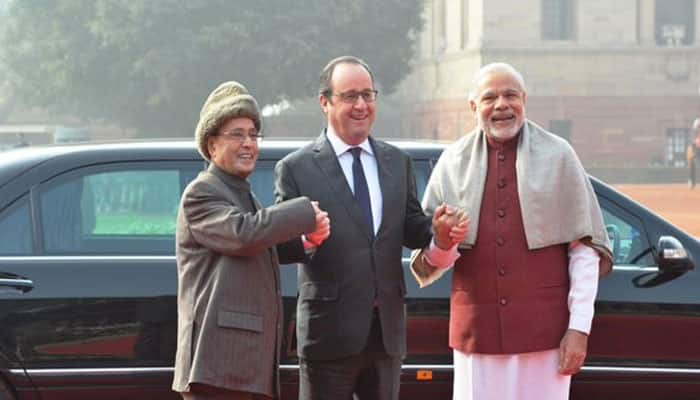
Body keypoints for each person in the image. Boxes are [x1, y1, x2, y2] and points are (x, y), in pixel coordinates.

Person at [410, 62, 613, 400]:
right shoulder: (452, 162)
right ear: (474, 108)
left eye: (510, 95)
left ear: (524, 100)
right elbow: (433, 259)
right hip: (477, 335)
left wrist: (579, 329)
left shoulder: (559, 155)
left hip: (545, 336)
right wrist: (444, 242)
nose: (501, 104)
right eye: (490, 97)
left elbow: (584, 250)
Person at [273, 56, 466, 400]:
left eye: (368, 94)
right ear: (325, 102)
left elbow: (410, 228)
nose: (361, 105)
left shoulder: (396, 161)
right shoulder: (297, 168)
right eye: (349, 96)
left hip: (386, 335)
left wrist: (438, 232)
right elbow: (279, 245)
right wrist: (308, 238)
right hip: (328, 336)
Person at [172, 81, 330, 400]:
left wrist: (306, 242)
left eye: (253, 134)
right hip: (218, 369)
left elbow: (257, 243)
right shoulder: (202, 193)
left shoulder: (239, 193)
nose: (248, 143)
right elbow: (244, 234)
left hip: (240, 370)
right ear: (211, 144)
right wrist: (301, 211)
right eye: (237, 134)